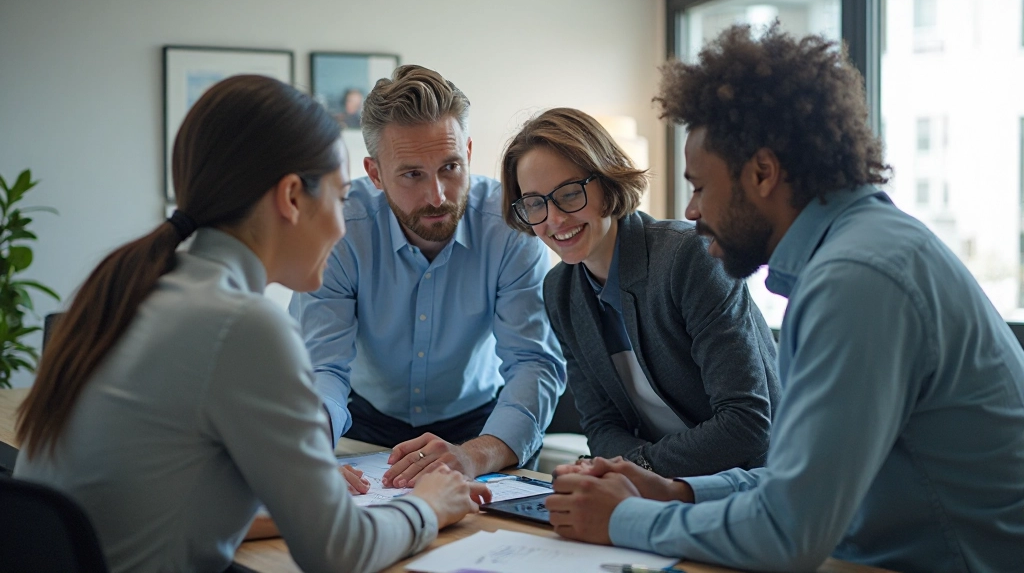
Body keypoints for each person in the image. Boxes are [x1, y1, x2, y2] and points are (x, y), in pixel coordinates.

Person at [544, 24, 1024, 573]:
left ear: (763, 173)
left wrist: (622, 520)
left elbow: (788, 531)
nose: (693, 210)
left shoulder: (855, 279)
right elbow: (798, 478)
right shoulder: (863, 250)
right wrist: (677, 492)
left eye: (699, 186)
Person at [14, 75, 489, 573]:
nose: (343, 223)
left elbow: (169, 503)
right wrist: (430, 505)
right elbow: (340, 554)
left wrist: (304, 502)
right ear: (290, 198)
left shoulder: (137, 292)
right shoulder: (243, 324)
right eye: (338, 195)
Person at [289, 65, 565, 487]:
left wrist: (477, 453)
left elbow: (531, 361)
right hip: (362, 422)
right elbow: (322, 366)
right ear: (376, 173)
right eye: (412, 174)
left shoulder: (510, 225)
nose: (436, 195)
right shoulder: (341, 228)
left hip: (480, 424)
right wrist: (309, 450)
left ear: (469, 153)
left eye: (450, 167)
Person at [499, 107, 779, 477]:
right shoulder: (560, 292)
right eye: (535, 203)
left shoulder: (687, 257)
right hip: (659, 493)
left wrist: (641, 468)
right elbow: (600, 427)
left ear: (607, 180)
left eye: (569, 193)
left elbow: (747, 423)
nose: (554, 219)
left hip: (755, 482)